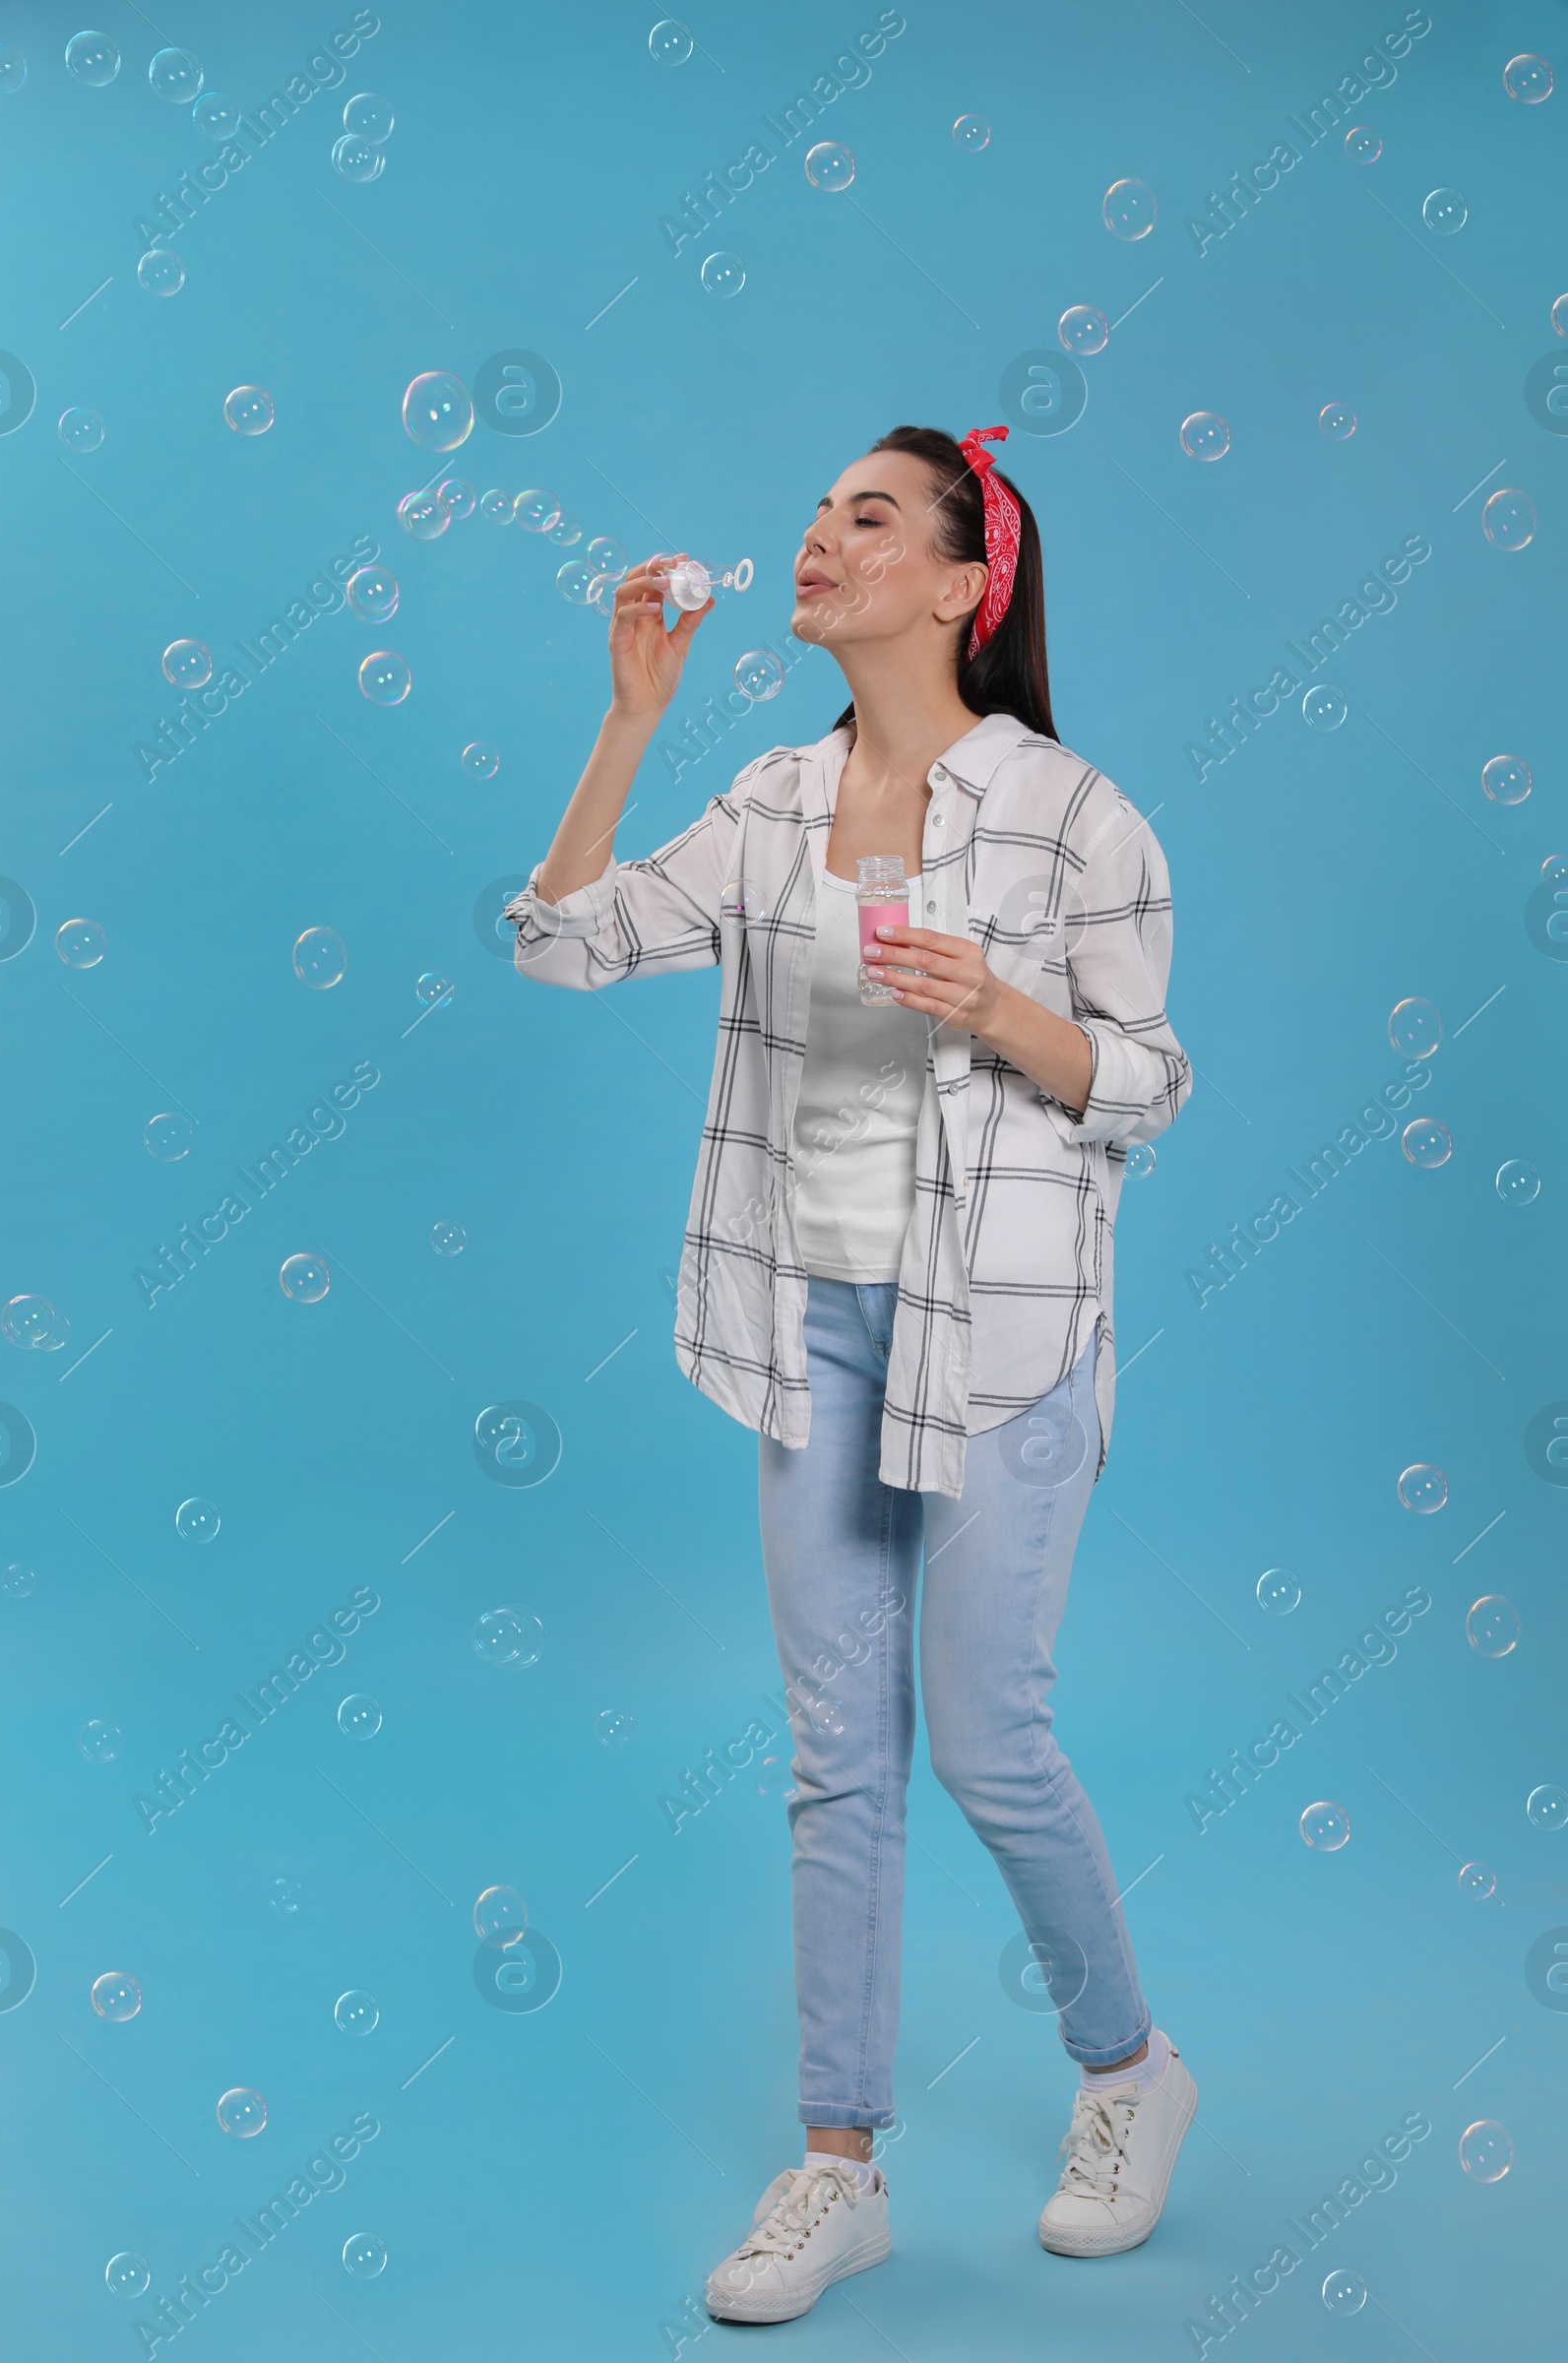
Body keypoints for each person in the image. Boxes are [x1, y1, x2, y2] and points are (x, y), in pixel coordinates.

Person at [504, 424, 1196, 2324]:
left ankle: (1132, 2077)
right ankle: (839, 2170)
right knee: (837, 1759)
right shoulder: (769, 791)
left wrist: (1006, 1008)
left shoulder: (1073, 818)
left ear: (969, 586)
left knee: (986, 1737)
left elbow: (1149, 1079)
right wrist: (630, 720)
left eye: (866, 518)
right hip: (808, 1324)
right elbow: (563, 945)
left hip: (998, 1339)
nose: (816, 538)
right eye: (812, 512)